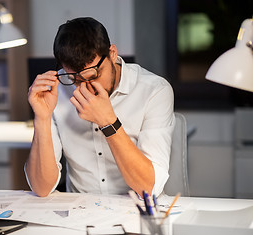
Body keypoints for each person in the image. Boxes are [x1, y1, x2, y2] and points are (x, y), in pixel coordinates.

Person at [25, 17, 175, 197]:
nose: (85, 88)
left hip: (138, 210)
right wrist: (42, 118)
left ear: (112, 53)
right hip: (80, 212)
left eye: (93, 75)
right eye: (75, 80)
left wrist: (108, 122)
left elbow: (148, 187)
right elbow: (42, 188)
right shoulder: (56, 91)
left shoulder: (154, 90)